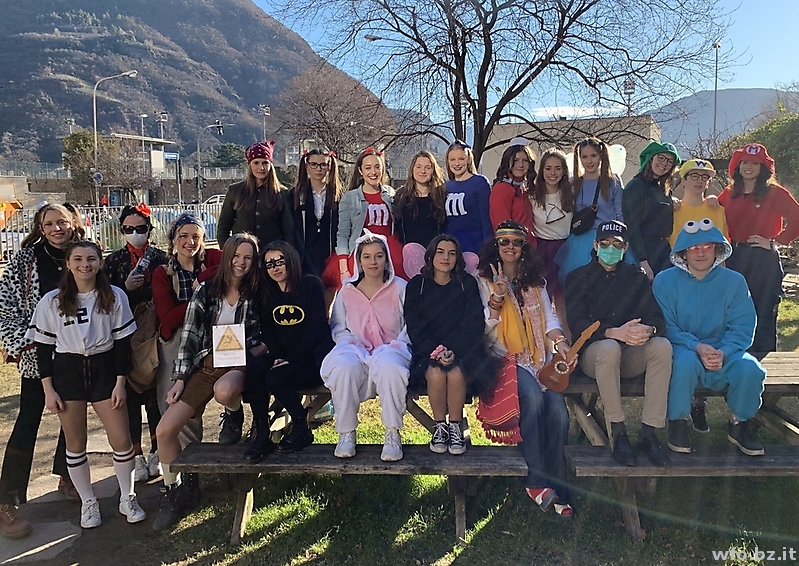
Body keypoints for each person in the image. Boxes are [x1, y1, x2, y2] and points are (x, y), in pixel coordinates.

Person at [27, 241, 144, 529]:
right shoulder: (52, 301)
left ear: (100, 263)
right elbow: (43, 349)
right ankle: (88, 501)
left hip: (105, 369)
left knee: (121, 439)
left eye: (91, 259)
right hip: (68, 371)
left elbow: (122, 345)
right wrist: (48, 389)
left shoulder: (114, 295)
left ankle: (127, 497)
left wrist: (120, 383)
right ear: (67, 264)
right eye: (77, 259)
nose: (85, 265)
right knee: (76, 442)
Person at [153, 234, 263, 531]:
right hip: (208, 365)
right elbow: (189, 336)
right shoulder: (206, 290)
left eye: (248, 257)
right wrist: (179, 378)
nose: (241, 262)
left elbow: (267, 334)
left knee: (224, 391)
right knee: (165, 430)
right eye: (236, 256)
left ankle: (234, 413)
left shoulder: (258, 291)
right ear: (226, 257)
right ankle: (174, 490)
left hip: (240, 365)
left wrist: (257, 349)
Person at [476, 221, 574, 517]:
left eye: (516, 242)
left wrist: (560, 342)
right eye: (504, 242)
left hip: (540, 358)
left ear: (523, 247)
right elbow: (483, 330)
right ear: (496, 246)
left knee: (559, 414)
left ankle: (559, 486)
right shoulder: (482, 280)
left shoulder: (536, 282)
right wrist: (497, 297)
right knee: (531, 397)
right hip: (504, 358)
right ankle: (535, 480)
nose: (510, 247)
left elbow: (550, 318)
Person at [0, 203, 85, 539]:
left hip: (74, 352)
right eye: (48, 224)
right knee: (28, 420)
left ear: (73, 222)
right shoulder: (26, 260)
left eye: (61, 221)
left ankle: (67, 475)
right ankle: (6, 501)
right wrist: (23, 341)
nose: (56, 228)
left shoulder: (83, 253)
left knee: (73, 416)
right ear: (40, 227)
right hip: (38, 352)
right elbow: (5, 305)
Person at [653, 220, 767, 457]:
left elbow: (743, 325)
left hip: (724, 349)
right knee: (682, 365)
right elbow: (664, 326)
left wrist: (724, 351)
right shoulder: (664, 281)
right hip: (683, 347)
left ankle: (739, 423)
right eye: (694, 247)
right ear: (683, 252)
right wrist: (697, 346)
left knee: (750, 369)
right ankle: (677, 421)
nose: (701, 252)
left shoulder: (735, 281)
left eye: (707, 246)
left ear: (718, 249)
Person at [565, 220, 672, 467]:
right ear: (595, 245)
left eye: (616, 244)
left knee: (662, 347)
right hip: (595, 353)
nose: (610, 249)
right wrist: (613, 332)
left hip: (630, 353)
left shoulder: (636, 277)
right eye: (605, 244)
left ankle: (649, 432)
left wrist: (649, 329)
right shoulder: (577, 277)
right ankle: (618, 431)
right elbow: (578, 324)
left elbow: (656, 318)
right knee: (609, 347)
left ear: (625, 248)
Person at [321, 233, 412, 461]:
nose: (373, 262)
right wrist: (351, 345)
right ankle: (346, 432)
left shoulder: (400, 288)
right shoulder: (346, 291)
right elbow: (339, 327)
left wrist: (395, 346)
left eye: (379, 256)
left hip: (393, 349)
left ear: (386, 258)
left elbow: (410, 326)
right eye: (367, 257)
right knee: (344, 367)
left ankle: (392, 432)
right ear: (359, 261)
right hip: (355, 349)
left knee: (389, 365)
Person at [404, 235, 496, 454]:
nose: (446, 258)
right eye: (440, 252)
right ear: (430, 256)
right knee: (435, 374)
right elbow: (415, 325)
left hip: (464, 349)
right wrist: (435, 351)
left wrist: (453, 350)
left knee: (455, 374)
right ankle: (439, 427)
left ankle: (455, 427)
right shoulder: (417, 285)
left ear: (457, 258)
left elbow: (473, 324)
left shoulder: (467, 283)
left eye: (451, 253)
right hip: (428, 349)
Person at [245, 242, 334, 460]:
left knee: (276, 377)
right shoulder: (268, 291)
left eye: (279, 261)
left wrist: (291, 358)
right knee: (255, 368)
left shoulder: (310, 285)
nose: (275, 268)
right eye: (269, 264)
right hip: (283, 356)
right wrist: (278, 356)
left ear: (291, 260)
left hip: (312, 358)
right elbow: (268, 331)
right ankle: (262, 432)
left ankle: (301, 427)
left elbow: (317, 329)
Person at [102, 203, 168, 482]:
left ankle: (156, 451)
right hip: (123, 337)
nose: (135, 233)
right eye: (129, 229)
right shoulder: (112, 262)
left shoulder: (162, 258)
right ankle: (136, 454)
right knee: (129, 400)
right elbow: (103, 301)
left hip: (154, 333)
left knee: (155, 397)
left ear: (149, 229)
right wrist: (125, 289)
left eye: (140, 228)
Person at [718, 143, 799, 353]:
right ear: (737, 165)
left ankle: (766, 361)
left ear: (764, 167)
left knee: (764, 312)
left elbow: (797, 217)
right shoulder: (730, 193)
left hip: (763, 260)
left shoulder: (774, 192)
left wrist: (775, 242)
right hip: (735, 258)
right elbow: (712, 213)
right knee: (735, 311)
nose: (749, 167)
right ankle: (737, 357)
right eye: (745, 162)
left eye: (755, 163)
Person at [152, 214, 222, 452]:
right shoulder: (164, 272)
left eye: (195, 237)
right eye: (183, 236)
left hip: (208, 338)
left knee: (194, 400)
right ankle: (175, 464)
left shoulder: (210, 260)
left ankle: (192, 461)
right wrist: (198, 300)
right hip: (175, 341)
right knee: (172, 401)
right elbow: (168, 317)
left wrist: (202, 278)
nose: (190, 242)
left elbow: (237, 261)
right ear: (173, 240)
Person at [669, 159, 728, 434]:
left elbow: (723, 247)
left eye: (704, 177)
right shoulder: (672, 209)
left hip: (711, 279)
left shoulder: (717, 209)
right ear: (683, 179)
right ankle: (679, 408)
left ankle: (699, 403)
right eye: (694, 175)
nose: (699, 181)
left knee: (709, 332)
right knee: (683, 336)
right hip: (679, 279)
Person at [554, 137, 625, 284]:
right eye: (584, 157)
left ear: (601, 156)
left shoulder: (613, 181)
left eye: (593, 155)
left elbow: (620, 213)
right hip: (581, 241)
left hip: (608, 239)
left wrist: (621, 240)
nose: (589, 161)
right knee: (583, 284)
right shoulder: (573, 182)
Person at [336, 148, 404, 281]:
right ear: (360, 171)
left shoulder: (390, 194)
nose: (373, 172)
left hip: (388, 253)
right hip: (359, 255)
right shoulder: (349, 198)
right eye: (368, 168)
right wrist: (343, 269)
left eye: (377, 167)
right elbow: (343, 234)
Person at [217, 141, 295, 248]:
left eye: (265, 163)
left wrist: (286, 253)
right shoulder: (235, 191)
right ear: (250, 165)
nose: (261, 168)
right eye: (256, 163)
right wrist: (229, 250)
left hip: (273, 253)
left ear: (271, 165)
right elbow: (223, 227)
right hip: (242, 253)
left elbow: (289, 230)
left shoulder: (282, 193)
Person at [291, 148, 343, 308]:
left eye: (323, 164)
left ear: (329, 166)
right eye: (314, 164)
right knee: (307, 302)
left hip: (329, 254)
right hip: (305, 255)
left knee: (327, 304)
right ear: (307, 166)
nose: (318, 169)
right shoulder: (295, 195)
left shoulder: (339, 195)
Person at [622, 141, 682, 280]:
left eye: (669, 161)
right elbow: (632, 226)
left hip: (663, 252)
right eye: (661, 158)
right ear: (651, 158)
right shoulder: (636, 186)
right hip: (642, 252)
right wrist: (642, 260)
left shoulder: (665, 189)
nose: (664, 163)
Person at [530, 148, 576, 328]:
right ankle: (546, 339)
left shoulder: (571, 193)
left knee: (563, 297)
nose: (552, 173)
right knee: (544, 297)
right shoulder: (532, 194)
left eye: (557, 168)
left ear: (564, 170)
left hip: (565, 249)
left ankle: (568, 339)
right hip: (541, 249)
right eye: (548, 168)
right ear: (542, 170)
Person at [444, 140, 493, 254]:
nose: (457, 163)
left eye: (461, 159)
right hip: (452, 245)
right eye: (452, 159)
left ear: (468, 159)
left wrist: (489, 250)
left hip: (476, 245)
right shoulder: (446, 186)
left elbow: (486, 219)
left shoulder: (480, 182)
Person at [394, 150, 448, 247]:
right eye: (418, 167)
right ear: (412, 169)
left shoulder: (441, 196)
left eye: (428, 167)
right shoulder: (401, 196)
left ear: (433, 171)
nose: (423, 171)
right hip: (407, 252)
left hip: (434, 252)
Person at [489, 139, 536, 243]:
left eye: (525, 160)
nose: (520, 165)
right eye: (516, 160)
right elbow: (503, 228)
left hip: (528, 247)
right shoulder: (502, 189)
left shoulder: (523, 188)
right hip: (514, 247)